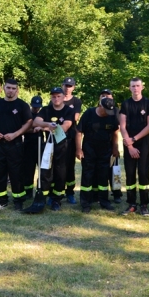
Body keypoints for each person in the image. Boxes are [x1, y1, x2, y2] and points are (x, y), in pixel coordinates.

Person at [23, 87, 75, 213]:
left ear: (63, 97)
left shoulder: (69, 110)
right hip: (49, 145)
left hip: (63, 145)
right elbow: (36, 122)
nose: (56, 99)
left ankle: (57, 199)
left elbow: (65, 127)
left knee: (60, 173)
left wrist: (44, 128)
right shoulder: (46, 109)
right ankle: (43, 198)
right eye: (53, 96)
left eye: (58, 96)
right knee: (46, 172)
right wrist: (48, 125)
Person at [0, 79, 33, 211]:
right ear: (4, 88)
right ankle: (1, 200)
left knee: (16, 173)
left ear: (17, 90)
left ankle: (18, 200)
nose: (10, 90)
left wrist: (15, 134)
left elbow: (29, 122)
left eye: (13, 88)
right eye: (8, 87)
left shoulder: (22, 105)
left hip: (15, 144)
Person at [76, 92, 119, 213]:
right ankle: (86, 202)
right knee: (87, 176)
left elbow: (115, 132)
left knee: (103, 176)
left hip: (105, 149)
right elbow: (79, 132)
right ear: (100, 106)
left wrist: (115, 148)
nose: (108, 113)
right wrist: (78, 149)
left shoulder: (111, 114)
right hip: (89, 149)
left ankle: (104, 201)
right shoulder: (89, 113)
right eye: (106, 110)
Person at [119, 77, 149, 217]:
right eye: (133, 86)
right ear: (129, 88)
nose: (135, 88)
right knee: (130, 173)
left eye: (137, 85)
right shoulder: (125, 104)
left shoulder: (148, 103)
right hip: (128, 143)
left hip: (143, 142)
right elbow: (122, 126)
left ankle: (144, 204)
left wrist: (134, 139)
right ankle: (131, 204)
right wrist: (129, 145)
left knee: (143, 172)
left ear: (142, 87)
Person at [61, 77, 82, 205]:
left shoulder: (76, 101)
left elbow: (75, 117)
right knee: (57, 166)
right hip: (57, 136)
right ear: (62, 86)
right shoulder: (56, 99)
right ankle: (56, 192)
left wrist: (61, 119)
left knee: (69, 166)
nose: (67, 88)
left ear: (73, 87)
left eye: (70, 86)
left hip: (71, 136)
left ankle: (70, 193)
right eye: (65, 85)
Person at [22, 95, 44, 200]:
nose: (36, 108)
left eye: (38, 106)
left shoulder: (42, 115)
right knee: (28, 170)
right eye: (35, 106)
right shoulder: (27, 114)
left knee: (42, 169)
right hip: (28, 145)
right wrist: (33, 129)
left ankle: (41, 190)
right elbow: (23, 129)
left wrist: (41, 127)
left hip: (40, 144)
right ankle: (28, 191)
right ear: (31, 105)